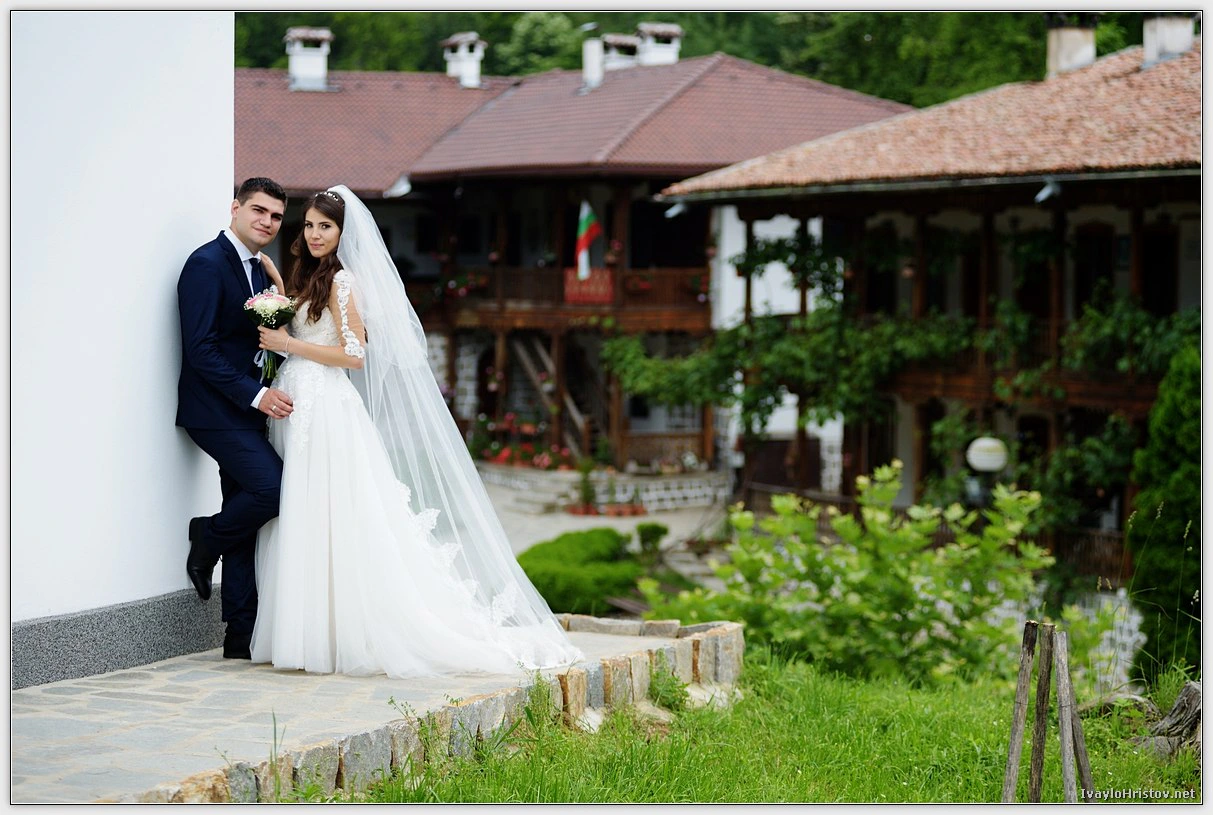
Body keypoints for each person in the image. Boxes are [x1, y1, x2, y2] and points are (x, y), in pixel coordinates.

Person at [250, 187, 582, 677]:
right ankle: (310, 631)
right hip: (298, 407)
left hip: (327, 409)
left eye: (326, 226)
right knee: (304, 510)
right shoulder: (308, 277)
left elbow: (354, 356)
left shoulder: (343, 282)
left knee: (332, 510)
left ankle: (343, 635)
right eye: (310, 225)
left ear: (343, 233)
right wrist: (279, 290)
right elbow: (301, 324)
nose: (316, 234)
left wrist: (289, 345)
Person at [176, 177, 294, 660]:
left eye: (275, 216)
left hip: (246, 412)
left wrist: (280, 293)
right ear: (235, 208)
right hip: (213, 411)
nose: (267, 221)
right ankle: (207, 535)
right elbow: (201, 349)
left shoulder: (260, 270)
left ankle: (239, 635)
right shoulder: (206, 264)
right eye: (258, 211)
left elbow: (262, 341)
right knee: (274, 489)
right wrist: (258, 395)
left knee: (246, 513)